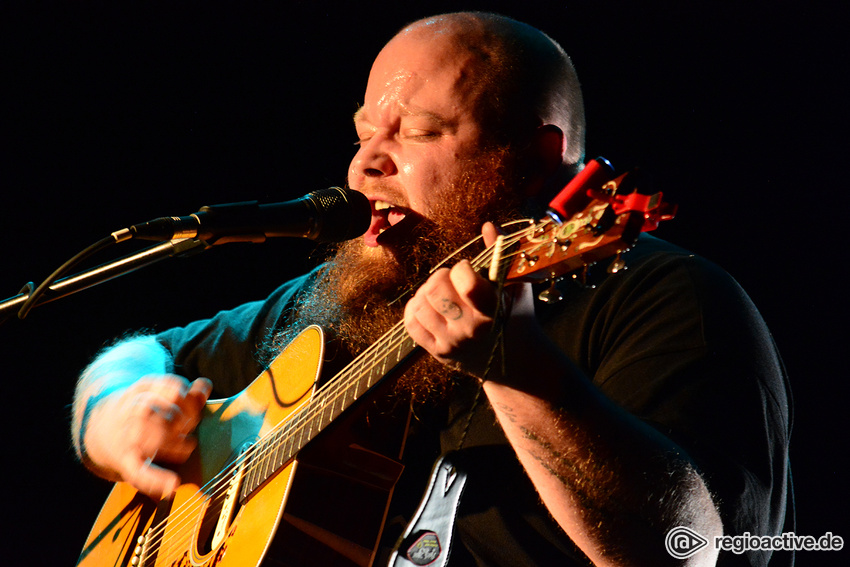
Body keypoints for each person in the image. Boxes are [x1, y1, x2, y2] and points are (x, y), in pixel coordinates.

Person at [71, 12, 792, 567]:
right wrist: (111, 411)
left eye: (417, 132)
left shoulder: (669, 300)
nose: (364, 168)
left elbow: (691, 549)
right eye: (362, 135)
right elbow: (138, 356)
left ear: (536, 159)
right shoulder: (331, 303)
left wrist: (522, 374)